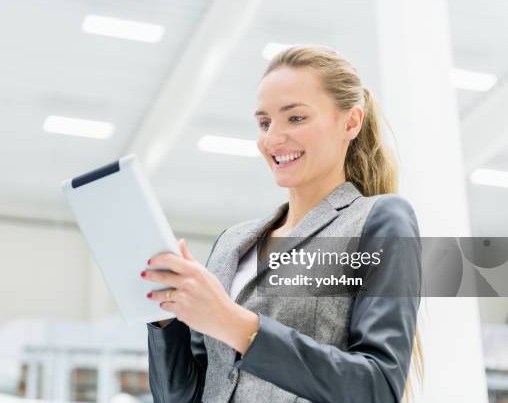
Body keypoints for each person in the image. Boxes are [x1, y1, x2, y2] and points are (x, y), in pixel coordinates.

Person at [141, 45, 423, 403]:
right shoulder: (233, 242)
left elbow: (378, 388)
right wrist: (165, 317)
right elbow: (185, 397)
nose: (272, 138)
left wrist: (236, 326)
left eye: (296, 118)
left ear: (351, 122)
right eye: (264, 122)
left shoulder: (379, 220)